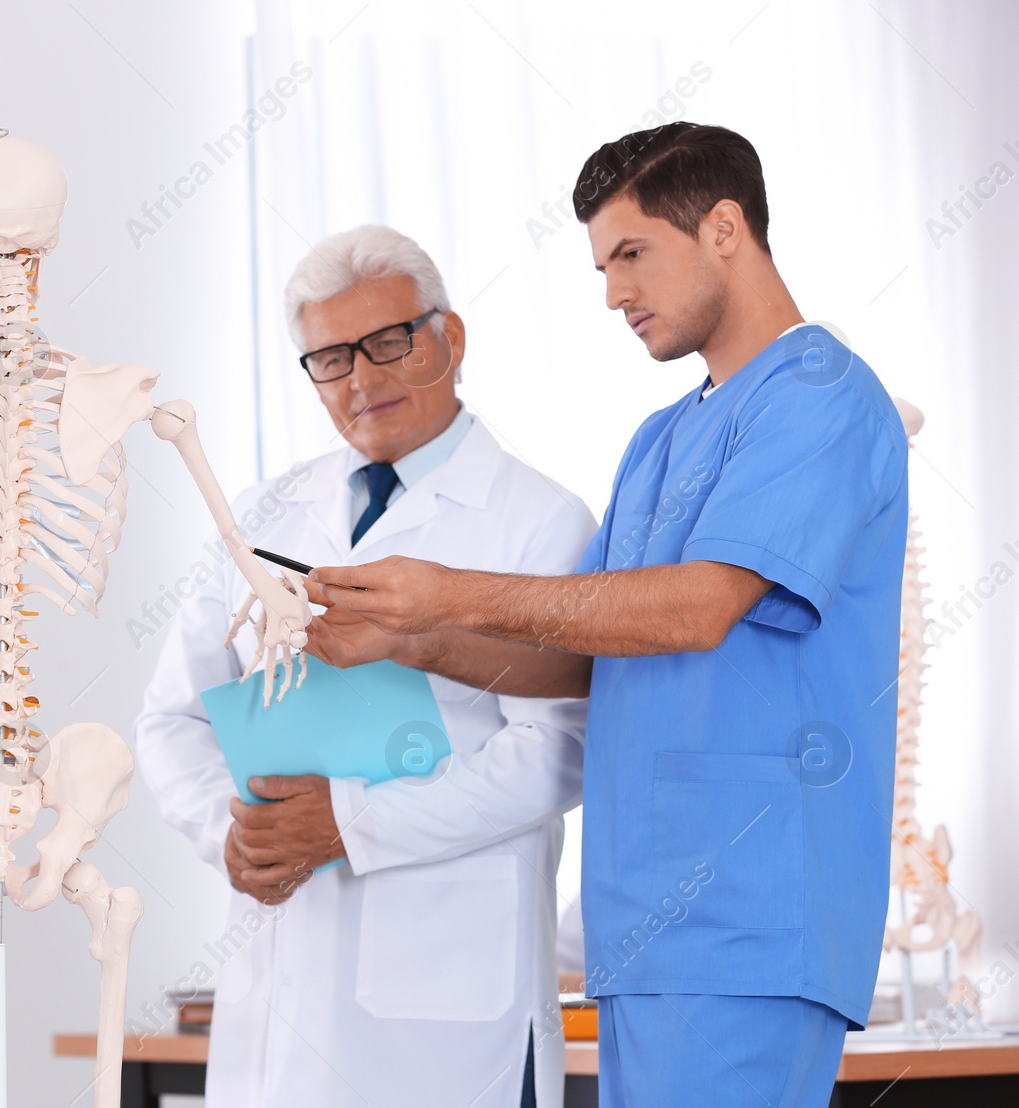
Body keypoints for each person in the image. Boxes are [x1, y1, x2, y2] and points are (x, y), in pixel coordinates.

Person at [310, 123, 908, 1107]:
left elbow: (700, 605)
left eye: (631, 255)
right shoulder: (661, 438)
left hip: (749, 915)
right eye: (600, 265)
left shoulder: (820, 396)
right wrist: (407, 635)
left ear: (724, 228)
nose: (612, 294)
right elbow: (586, 653)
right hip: (650, 926)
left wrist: (450, 587)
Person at [134, 225, 595, 1108]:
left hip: (448, 1006)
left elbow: (561, 750)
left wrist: (350, 824)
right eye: (330, 359)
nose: (362, 379)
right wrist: (227, 832)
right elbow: (172, 718)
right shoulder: (267, 513)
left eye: (388, 342)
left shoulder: (541, 521)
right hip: (280, 985)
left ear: (449, 339)